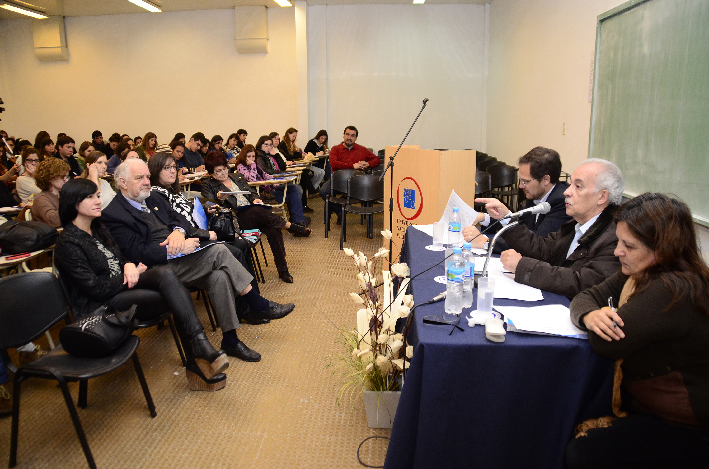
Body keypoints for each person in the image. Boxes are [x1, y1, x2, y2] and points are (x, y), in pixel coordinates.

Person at [565, 193, 709, 468]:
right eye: (618, 241)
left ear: (662, 249)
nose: (618, 251)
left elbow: (609, 344)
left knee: (584, 453)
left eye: (628, 245)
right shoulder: (642, 269)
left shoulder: (672, 289)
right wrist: (589, 315)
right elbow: (588, 295)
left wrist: (593, 318)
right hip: (652, 408)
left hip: (687, 428)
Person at [101, 159, 294, 361]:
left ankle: (230, 340)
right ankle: (258, 303)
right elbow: (137, 253)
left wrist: (177, 232)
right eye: (139, 178)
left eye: (147, 176)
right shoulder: (114, 214)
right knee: (219, 251)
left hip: (182, 257)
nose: (146, 182)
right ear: (122, 182)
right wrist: (174, 249)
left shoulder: (152, 198)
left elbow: (181, 219)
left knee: (218, 276)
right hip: (156, 270)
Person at [54, 178, 230, 391]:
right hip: (102, 304)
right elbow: (95, 288)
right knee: (173, 295)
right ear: (74, 203)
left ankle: (199, 345)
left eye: (98, 196)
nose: (98, 201)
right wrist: (129, 273)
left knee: (165, 274)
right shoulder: (68, 244)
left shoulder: (98, 229)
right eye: (90, 197)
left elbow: (121, 258)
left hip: (125, 285)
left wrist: (128, 265)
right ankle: (198, 358)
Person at [473, 158, 623, 298]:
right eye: (570, 184)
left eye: (578, 186)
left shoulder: (616, 237)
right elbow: (542, 249)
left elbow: (581, 282)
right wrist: (506, 217)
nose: (567, 192)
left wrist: (522, 266)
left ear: (602, 197)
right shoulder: (575, 225)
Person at [201, 151, 309, 283]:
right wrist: (220, 200)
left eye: (224, 168)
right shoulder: (209, 185)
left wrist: (256, 198)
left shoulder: (237, 177)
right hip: (236, 219)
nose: (223, 173)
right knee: (257, 211)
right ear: (211, 173)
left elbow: (252, 192)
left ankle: (283, 270)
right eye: (218, 171)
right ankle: (289, 226)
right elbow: (209, 205)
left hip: (255, 215)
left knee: (273, 229)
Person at [463, 146, 572, 252]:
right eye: (520, 180)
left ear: (545, 180)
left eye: (526, 181)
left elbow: (534, 245)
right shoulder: (536, 193)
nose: (520, 186)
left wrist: (485, 242)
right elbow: (520, 228)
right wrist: (484, 218)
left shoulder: (562, 203)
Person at [320, 126, 381, 222]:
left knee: (363, 191)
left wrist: (368, 163)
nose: (349, 137)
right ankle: (340, 211)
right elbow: (334, 163)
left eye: (352, 136)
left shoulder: (362, 149)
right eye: (347, 134)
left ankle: (343, 207)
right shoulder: (335, 149)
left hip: (355, 183)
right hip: (337, 181)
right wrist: (353, 166)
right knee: (323, 191)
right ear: (343, 135)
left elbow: (377, 159)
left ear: (356, 138)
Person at [254, 137, 309, 228]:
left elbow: (283, 167)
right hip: (266, 190)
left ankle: (297, 220)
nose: (269, 147)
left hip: (272, 185)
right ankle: (298, 221)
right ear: (260, 145)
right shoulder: (259, 156)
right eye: (266, 145)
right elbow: (265, 171)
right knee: (294, 190)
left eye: (270, 145)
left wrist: (276, 155)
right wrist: (280, 173)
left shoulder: (268, 155)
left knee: (294, 188)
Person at [31, 158, 70, 227]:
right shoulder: (42, 199)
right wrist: (70, 203)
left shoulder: (62, 194)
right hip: (52, 236)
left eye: (67, 177)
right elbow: (54, 221)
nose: (66, 180)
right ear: (50, 178)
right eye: (63, 177)